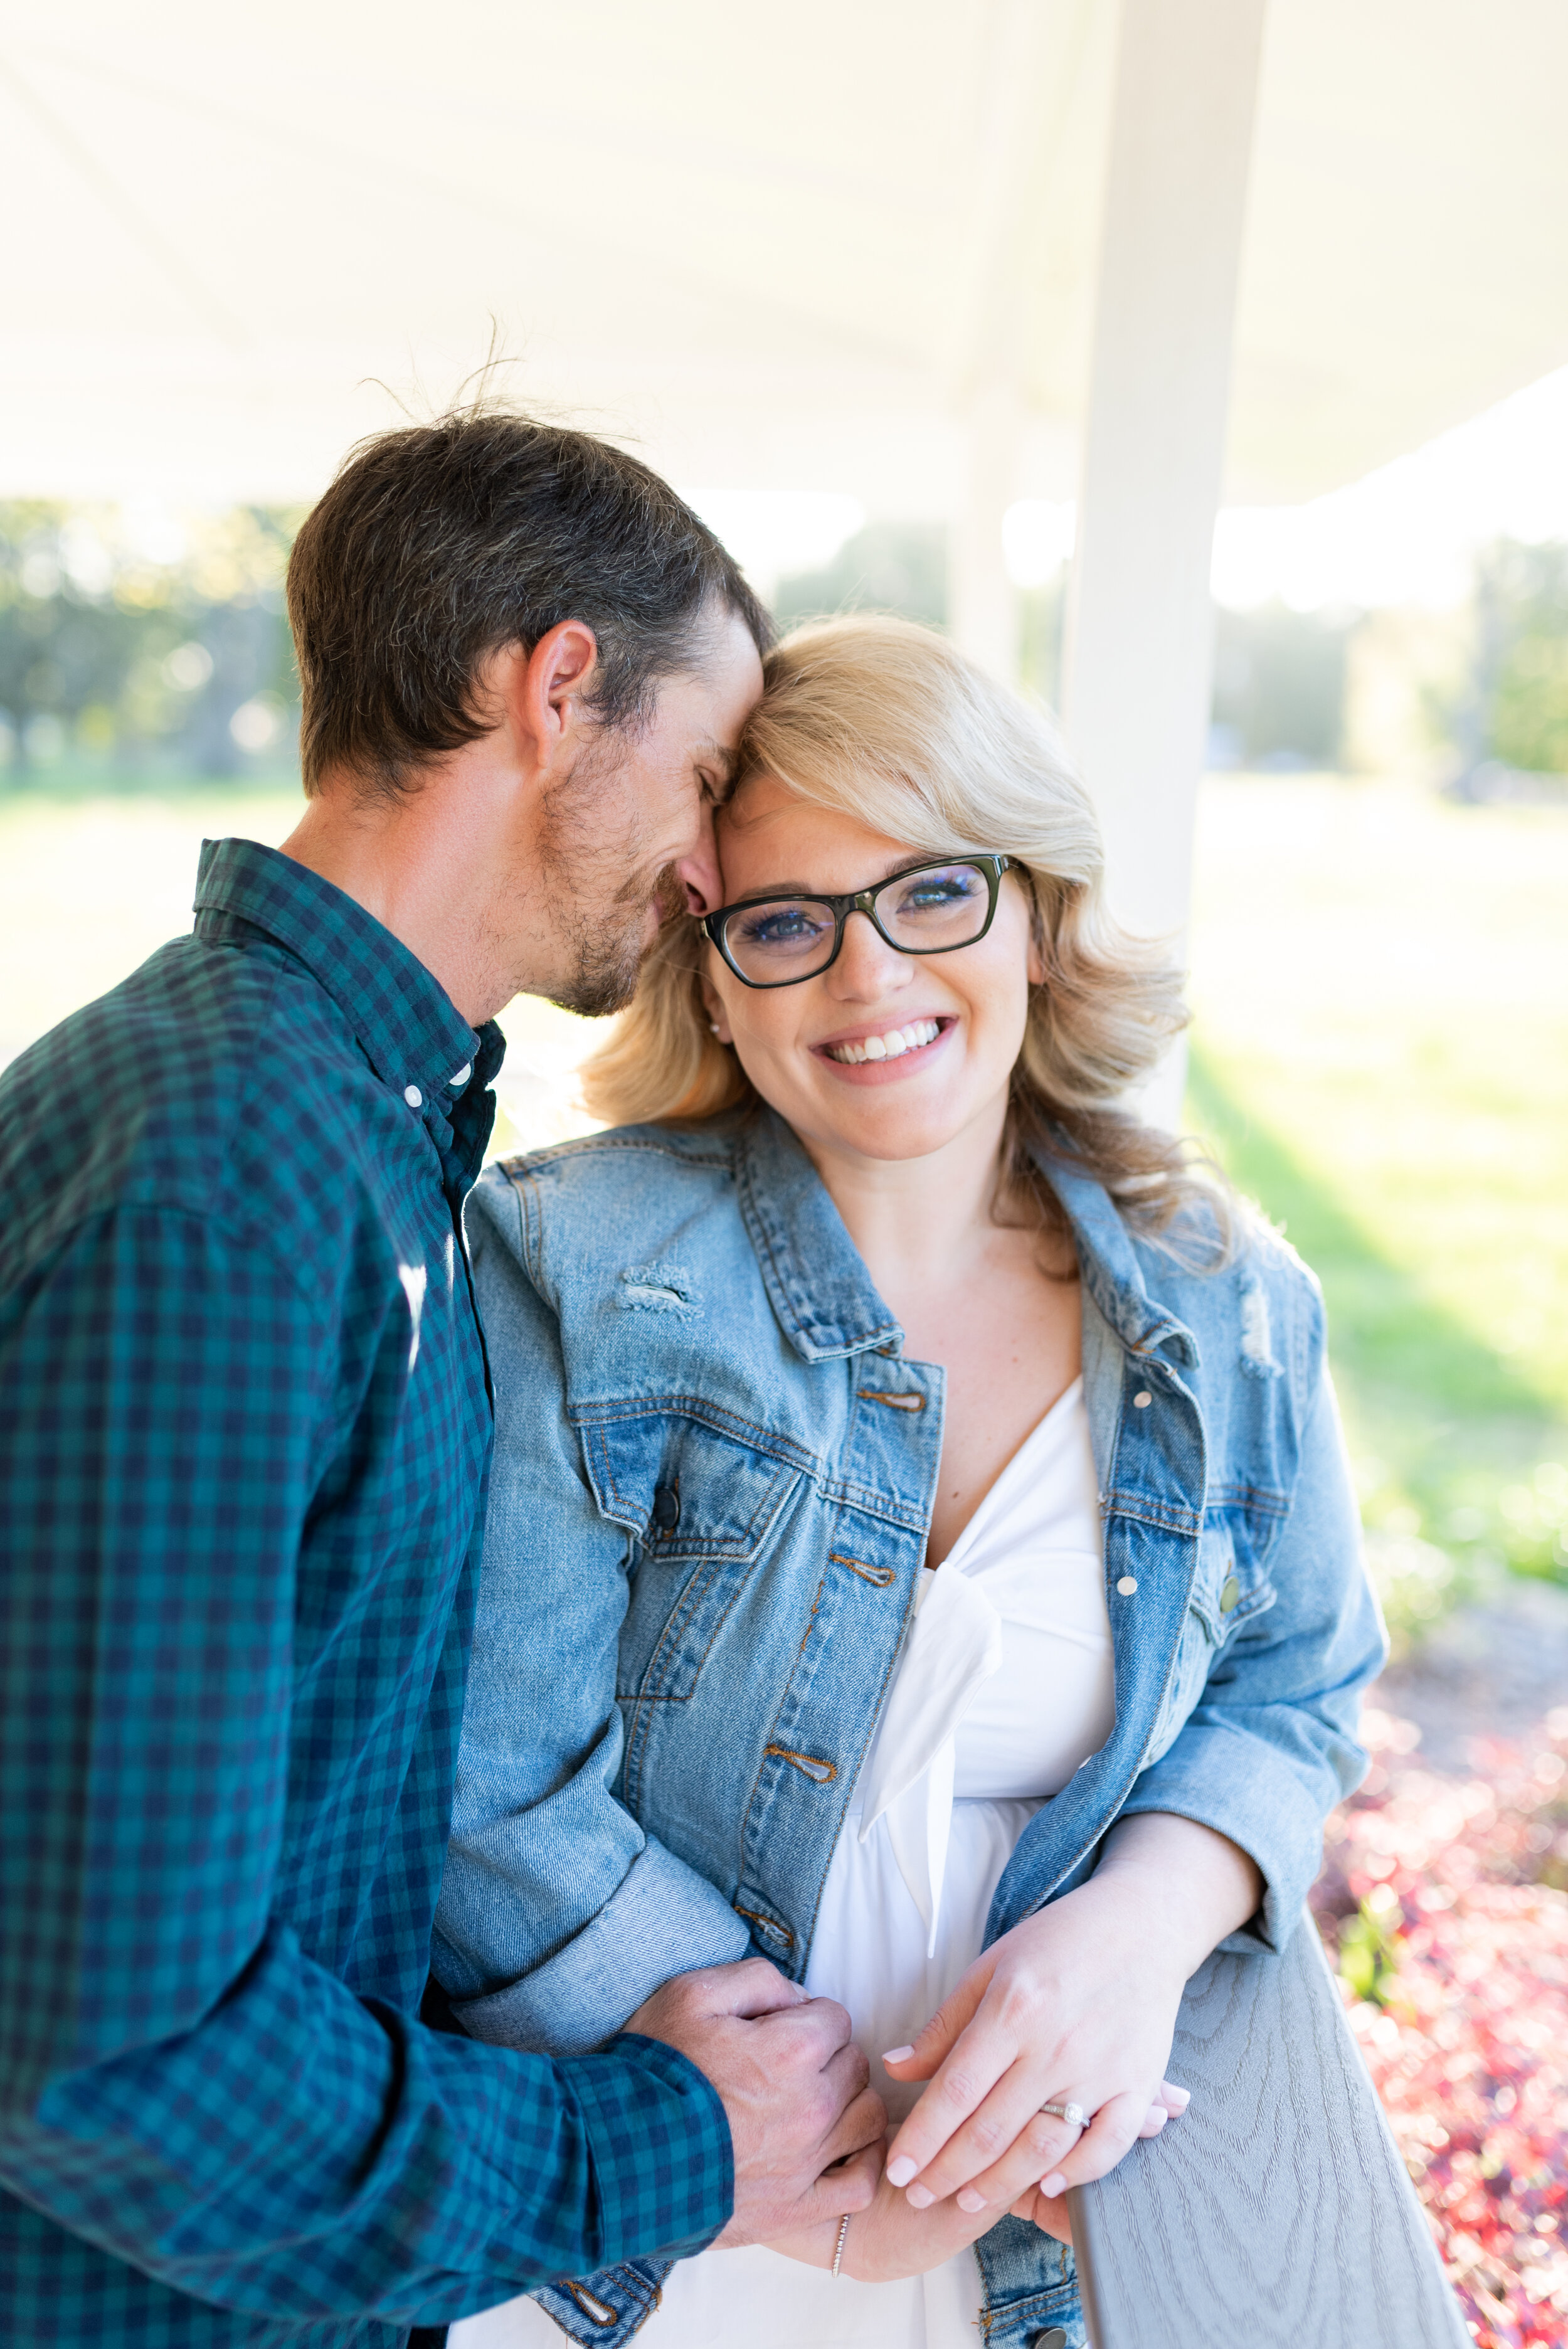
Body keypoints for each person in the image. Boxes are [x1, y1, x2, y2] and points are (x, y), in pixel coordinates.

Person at [0, 413, 887, 2349]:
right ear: (559, 687)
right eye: (711, 768)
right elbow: (111, 2051)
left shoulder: (345, 1130)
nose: (715, 857)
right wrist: (655, 2142)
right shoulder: (226, 1177)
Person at [433, 614, 1387, 2349]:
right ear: (708, 964)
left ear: (1031, 904)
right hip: (657, 2220)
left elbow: (1298, 1679)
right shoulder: (571, 1266)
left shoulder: (1223, 1303)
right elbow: (493, 1785)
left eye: (931, 890)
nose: (868, 981)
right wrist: (820, 2158)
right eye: (788, 922)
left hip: (1040, 2227)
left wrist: (1142, 1922)